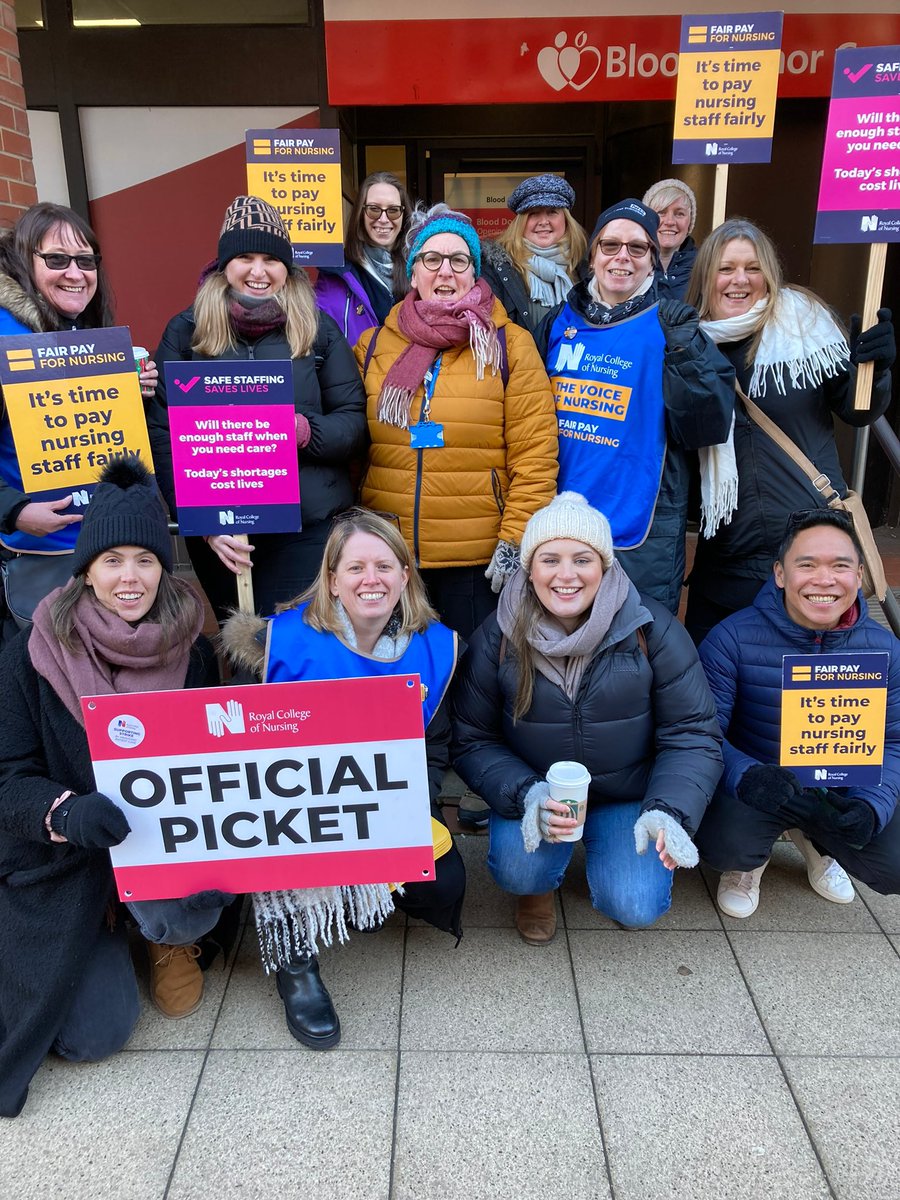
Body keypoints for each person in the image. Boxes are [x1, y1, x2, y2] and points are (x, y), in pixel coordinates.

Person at [0, 456, 225, 1119]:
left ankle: (163, 934)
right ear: (86, 570)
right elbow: (7, 778)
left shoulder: (194, 650)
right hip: (67, 861)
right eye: (112, 560)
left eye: (146, 560)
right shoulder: (30, 654)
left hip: (158, 848)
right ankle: (105, 920)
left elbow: (213, 770)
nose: (130, 577)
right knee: (92, 1036)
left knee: (195, 900)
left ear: (164, 567)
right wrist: (66, 813)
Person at [221, 508, 465, 1048]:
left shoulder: (434, 647)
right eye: (355, 568)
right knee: (277, 851)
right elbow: (240, 752)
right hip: (292, 806)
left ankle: (361, 896)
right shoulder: (280, 645)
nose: (370, 579)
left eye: (384, 566)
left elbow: (435, 748)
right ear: (332, 580)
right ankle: (295, 964)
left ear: (405, 575)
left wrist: (404, 807)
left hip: (380, 801)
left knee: (443, 883)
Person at [450, 492, 723, 943]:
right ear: (529, 569)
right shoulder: (498, 635)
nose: (566, 575)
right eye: (550, 560)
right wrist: (526, 793)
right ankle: (537, 888)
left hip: (628, 792)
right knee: (518, 869)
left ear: (605, 566)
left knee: (634, 904)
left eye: (582, 560)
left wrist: (668, 810)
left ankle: (612, 854)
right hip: (539, 789)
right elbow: (472, 738)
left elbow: (692, 734)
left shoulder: (650, 628)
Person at [147, 195, 367, 621]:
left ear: (287, 266)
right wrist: (204, 524)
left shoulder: (317, 330)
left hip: (305, 528)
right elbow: (164, 434)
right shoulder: (187, 331)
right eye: (245, 257)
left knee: (294, 642)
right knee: (239, 645)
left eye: (271, 259)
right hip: (222, 532)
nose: (258, 271)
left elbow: (354, 423)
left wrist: (303, 431)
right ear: (224, 263)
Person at [684, 218, 895, 644]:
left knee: (808, 677)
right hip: (726, 557)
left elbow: (857, 409)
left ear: (769, 274)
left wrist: (875, 372)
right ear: (706, 277)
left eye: (753, 267)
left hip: (809, 554)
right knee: (716, 675)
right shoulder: (686, 343)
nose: (739, 279)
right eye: (726, 269)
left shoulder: (805, 325)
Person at [357, 203, 558, 639]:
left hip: (476, 564)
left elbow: (536, 455)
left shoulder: (509, 345)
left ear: (474, 273)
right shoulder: (373, 346)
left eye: (459, 260)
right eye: (431, 259)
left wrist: (515, 539)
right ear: (413, 273)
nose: (445, 271)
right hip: (388, 558)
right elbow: (351, 446)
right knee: (400, 673)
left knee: (471, 674)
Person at [696, 509, 900, 919]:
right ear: (780, 574)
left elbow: (894, 740)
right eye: (807, 565)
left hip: (839, 787)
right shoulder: (730, 638)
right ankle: (750, 861)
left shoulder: (885, 648)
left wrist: (871, 805)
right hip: (762, 783)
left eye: (840, 566)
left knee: (893, 862)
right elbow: (703, 734)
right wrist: (746, 776)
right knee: (723, 844)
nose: (824, 580)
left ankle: (820, 843)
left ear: (859, 575)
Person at [535, 197, 734, 614]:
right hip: (560, 521)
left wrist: (684, 354)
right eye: (610, 245)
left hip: (641, 530)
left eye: (637, 247)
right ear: (593, 256)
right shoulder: (556, 322)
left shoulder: (675, 325)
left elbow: (707, 427)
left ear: (652, 260)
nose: (622, 256)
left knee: (636, 643)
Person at [0, 203, 158, 641]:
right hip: (42, 558)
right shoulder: (5, 336)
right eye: (57, 259)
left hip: (108, 548)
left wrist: (130, 395)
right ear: (24, 260)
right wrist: (14, 511)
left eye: (86, 261)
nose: (75, 273)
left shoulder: (81, 331)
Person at [314, 171, 412, 345]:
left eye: (393, 210)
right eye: (374, 209)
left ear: (404, 216)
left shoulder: (421, 269)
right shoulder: (336, 273)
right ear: (361, 212)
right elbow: (321, 339)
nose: (383, 219)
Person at [480, 173, 588, 333]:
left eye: (552, 212)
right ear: (521, 222)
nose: (543, 221)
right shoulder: (497, 269)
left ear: (566, 219)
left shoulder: (585, 267)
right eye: (534, 213)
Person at [642, 178, 698, 301]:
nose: (670, 221)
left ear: (690, 222)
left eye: (679, 214)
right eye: (661, 213)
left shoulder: (705, 267)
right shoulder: (631, 263)